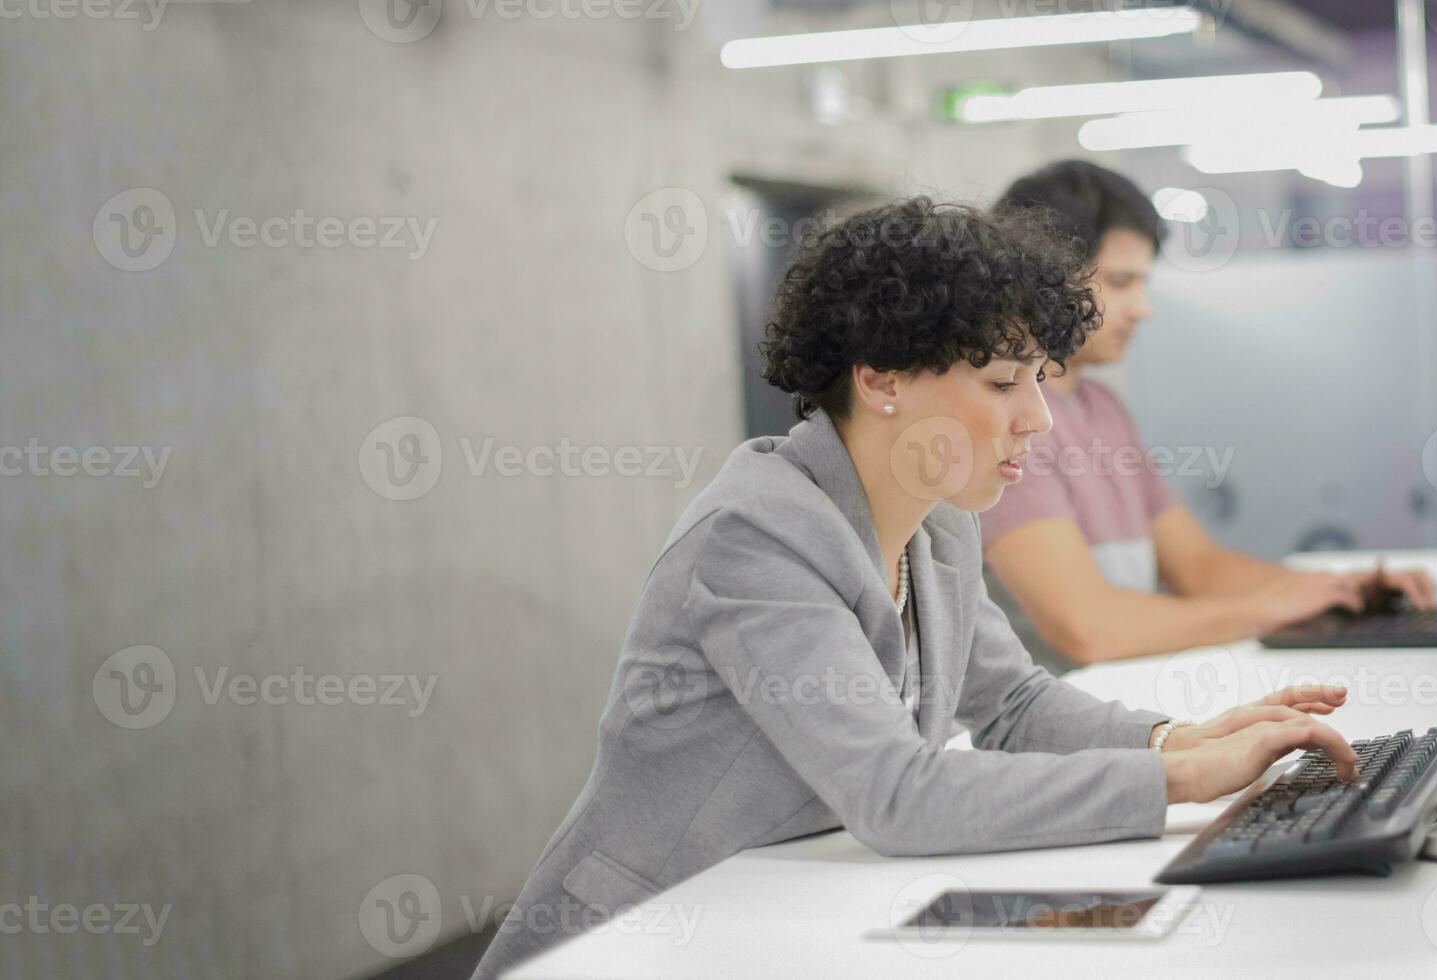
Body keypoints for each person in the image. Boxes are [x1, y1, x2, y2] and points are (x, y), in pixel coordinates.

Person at [471, 197, 1361, 977]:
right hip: (641, 939)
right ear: (880, 377)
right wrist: (1181, 781)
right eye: (1003, 382)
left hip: (779, 916)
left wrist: (1174, 736)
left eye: (1040, 381)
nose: (1037, 419)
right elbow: (895, 796)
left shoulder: (937, 520)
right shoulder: (754, 538)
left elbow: (1010, 704)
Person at [979, 161, 1437, 668]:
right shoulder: (1006, 423)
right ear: (1044, 278)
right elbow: (1090, 630)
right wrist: (1264, 611)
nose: (1142, 309)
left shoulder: (1102, 410)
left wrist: (1339, 591)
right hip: (1039, 736)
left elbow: (1198, 567)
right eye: (1121, 282)